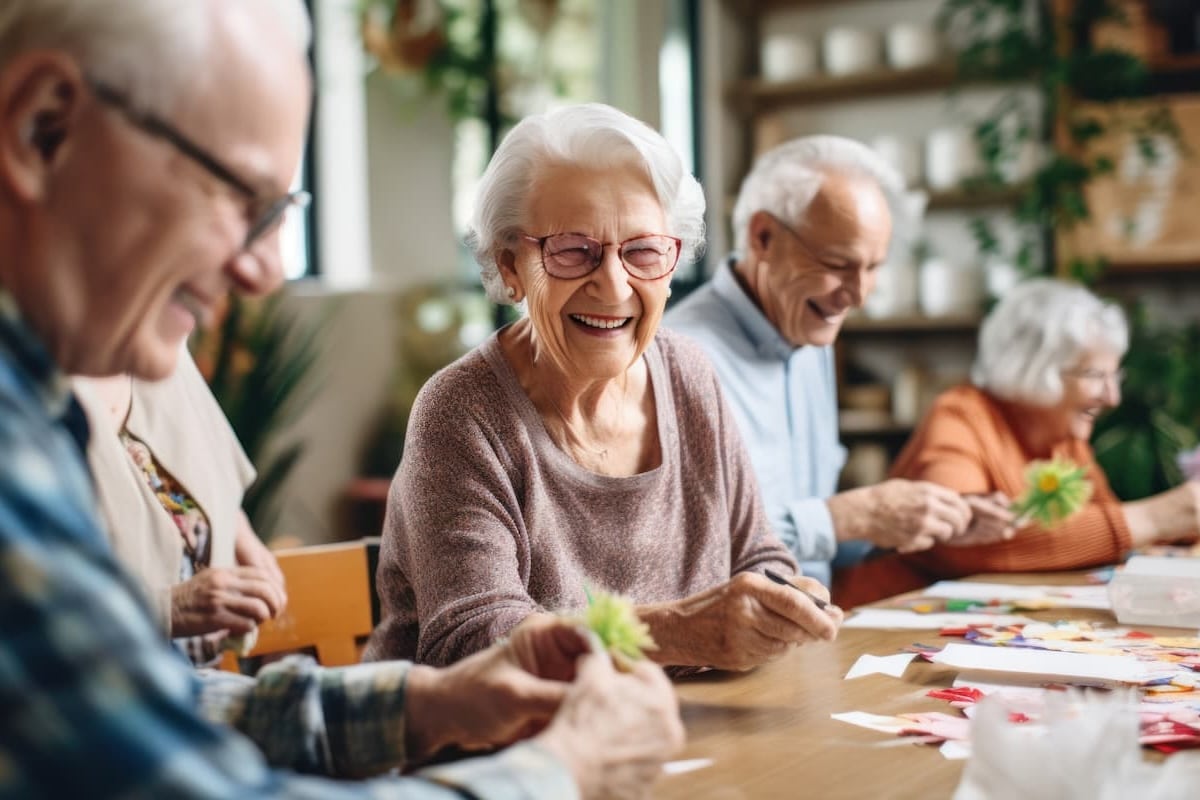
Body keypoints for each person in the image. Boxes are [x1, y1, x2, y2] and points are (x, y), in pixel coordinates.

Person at [0, 1, 683, 797]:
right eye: (237, 196)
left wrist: (427, 704)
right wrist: (565, 770)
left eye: (282, 212)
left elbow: (131, 710)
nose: (266, 270)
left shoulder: (34, 407)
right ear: (43, 130)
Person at [365, 104, 842, 674]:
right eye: (573, 251)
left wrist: (780, 600)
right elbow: (474, 639)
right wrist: (677, 633)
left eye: (643, 251)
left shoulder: (690, 374)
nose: (614, 286)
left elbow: (757, 554)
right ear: (511, 264)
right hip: (499, 751)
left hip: (678, 735)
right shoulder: (462, 412)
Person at [666, 135, 978, 588]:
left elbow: (814, 539)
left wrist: (915, 522)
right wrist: (846, 517)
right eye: (837, 264)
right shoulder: (679, 354)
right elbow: (689, 551)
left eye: (873, 268)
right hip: (724, 655)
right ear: (763, 237)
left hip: (811, 636)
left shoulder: (811, 336)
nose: (859, 295)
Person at [834, 279, 1200, 606]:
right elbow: (964, 543)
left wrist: (1182, 531)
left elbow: (1109, 544)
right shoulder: (960, 417)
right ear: (1035, 367)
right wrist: (1165, 515)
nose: (1113, 397)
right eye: (1095, 376)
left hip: (981, 631)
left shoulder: (1064, 440)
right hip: (885, 635)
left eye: (1114, 376)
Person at [73, 353, 288, 666]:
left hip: (199, 684)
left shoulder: (163, 342)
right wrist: (170, 608)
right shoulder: (25, 403)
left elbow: (208, 476)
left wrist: (241, 537)